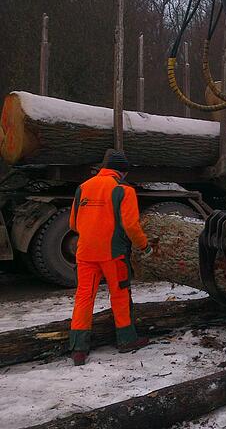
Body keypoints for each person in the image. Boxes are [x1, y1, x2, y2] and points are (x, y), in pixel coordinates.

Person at [68, 149, 153, 366]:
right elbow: (131, 226)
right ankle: (126, 339)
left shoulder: (83, 187)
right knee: (120, 294)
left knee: (84, 297)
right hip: (113, 253)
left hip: (85, 252)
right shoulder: (124, 190)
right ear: (122, 172)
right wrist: (144, 246)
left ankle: (78, 349)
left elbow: (73, 224)